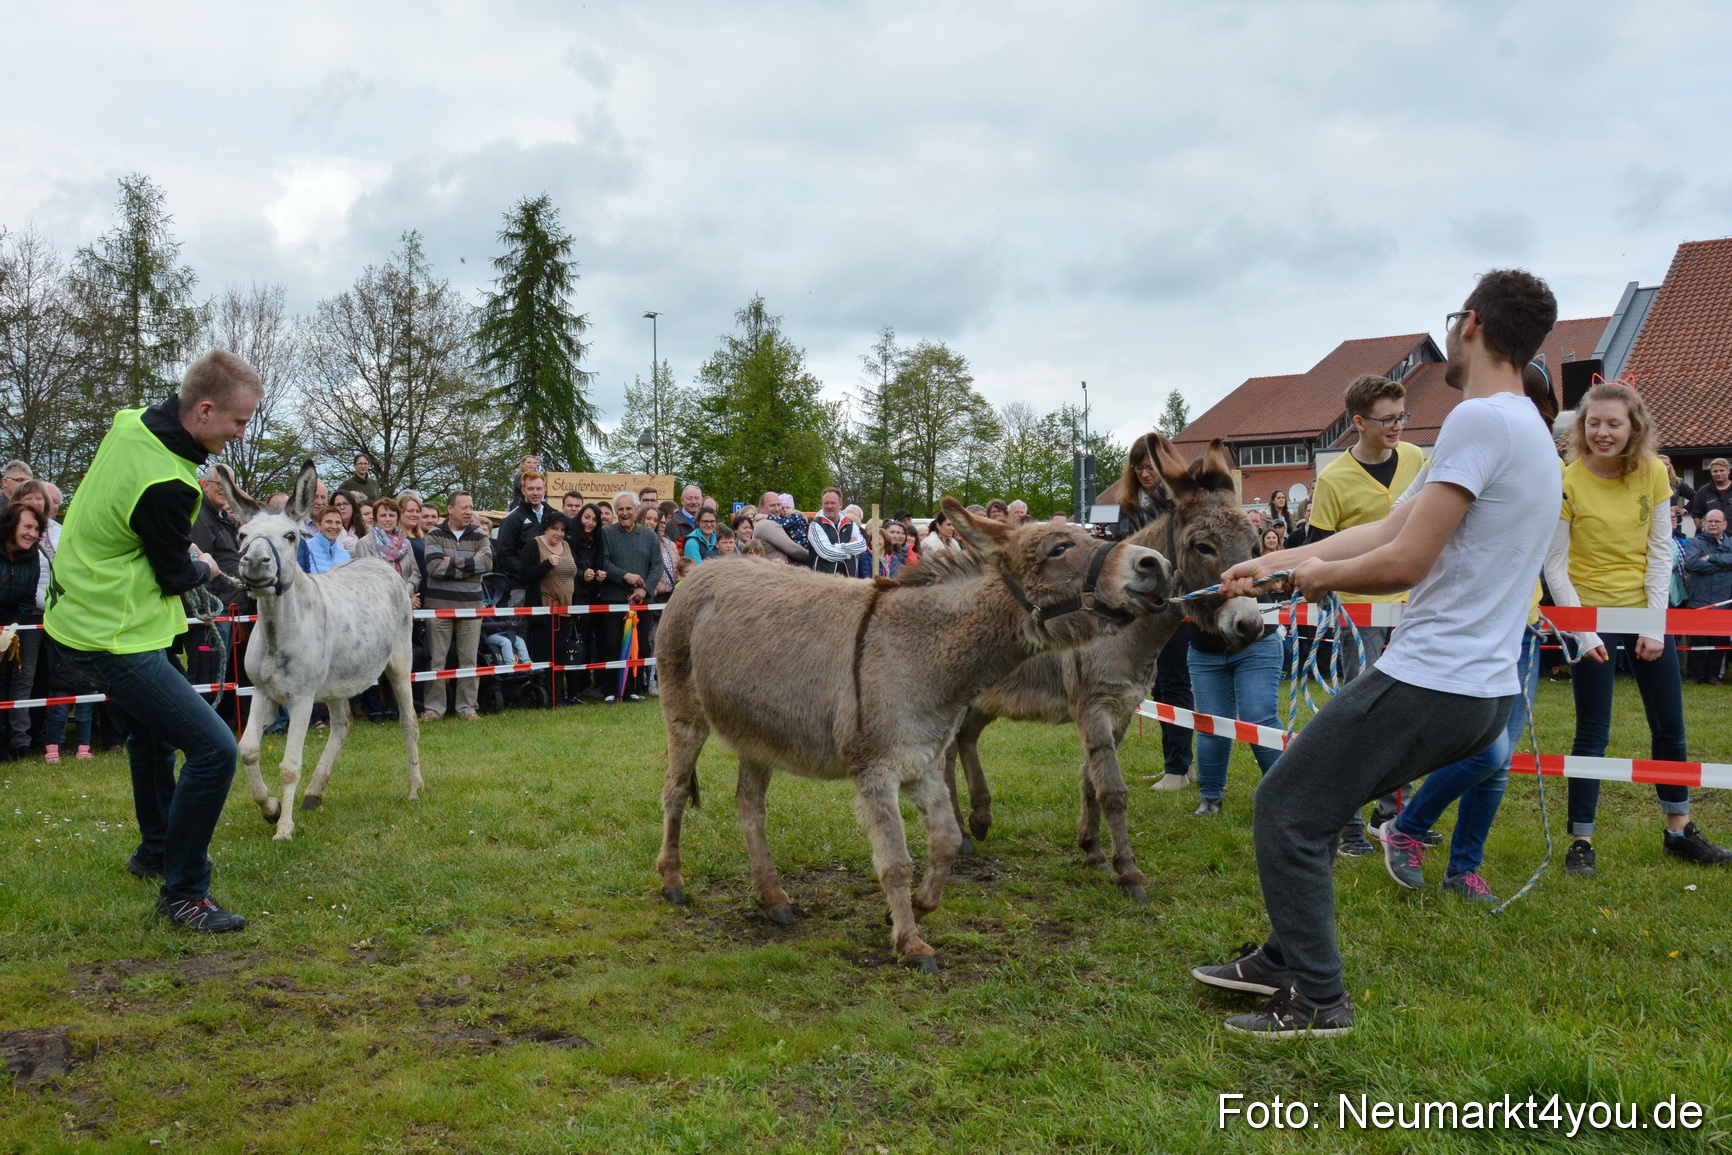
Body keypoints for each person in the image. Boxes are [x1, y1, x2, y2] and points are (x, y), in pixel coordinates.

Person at [1191, 269, 1563, 1037]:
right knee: (1314, 804)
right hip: (1479, 690)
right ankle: (1284, 956)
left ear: (1472, 326)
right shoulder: (1522, 425)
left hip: (1434, 677)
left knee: (1287, 807)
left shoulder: (1477, 421)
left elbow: (1404, 564)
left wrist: (1307, 577)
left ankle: (1318, 998)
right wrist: (1269, 565)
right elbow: (1394, 527)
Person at [44, 350, 260, 932]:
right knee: (215, 751)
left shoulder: (134, 422)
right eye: (238, 423)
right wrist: (204, 567)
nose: (239, 435)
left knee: (151, 733)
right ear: (206, 410)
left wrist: (169, 547)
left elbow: (131, 523)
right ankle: (184, 893)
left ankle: (156, 850)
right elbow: (172, 576)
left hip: (91, 611)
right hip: (109, 631)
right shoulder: (166, 484)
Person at [1545, 381, 1732, 874]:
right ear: (1582, 428)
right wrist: (1584, 633)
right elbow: (1555, 566)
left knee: (1670, 727)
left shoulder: (1652, 471)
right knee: (1592, 732)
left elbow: (1660, 552)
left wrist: (1653, 624)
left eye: (1614, 423)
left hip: (1644, 610)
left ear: (1634, 428)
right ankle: (1581, 841)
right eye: (1593, 423)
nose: (1602, 433)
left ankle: (1679, 831)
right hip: (1588, 613)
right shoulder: (1565, 480)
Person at [1304, 372, 1427, 854]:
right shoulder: (1333, 480)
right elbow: (1319, 553)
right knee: (1363, 716)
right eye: (1388, 419)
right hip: (1359, 615)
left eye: (1403, 417)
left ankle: (1395, 815)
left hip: (1412, 607)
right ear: (1358, 422)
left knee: (1410, 713)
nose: (1398, 426)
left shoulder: (1417, 458)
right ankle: (1347, 820)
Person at [421, 491, 492, 721]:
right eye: (464, 507)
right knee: (437, 660)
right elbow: (433, 568)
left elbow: (487, 563)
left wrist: (451, 561)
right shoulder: (434, 534)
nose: (469, 511)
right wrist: (471, 567)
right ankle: (433, 709)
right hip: (439, 607)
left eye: (471, 506)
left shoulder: (480, 534)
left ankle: (467, 708)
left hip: (472, 606)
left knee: (469, 660)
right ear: (450, 509)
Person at [599, 491, 663, 702]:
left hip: (641, 602)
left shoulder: (649, 535)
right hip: (614, 600)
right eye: (621, 509)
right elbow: (604, 563)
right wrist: (625, 576)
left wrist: (644, 590)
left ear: (636, 510)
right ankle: (610, 691)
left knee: (639, 646)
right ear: (616, 511)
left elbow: (657, 566)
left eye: (628, 508)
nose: (625, 513)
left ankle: (632, 689)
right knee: (612, 644)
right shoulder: (607, 532)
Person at [1, 502, 44, 759]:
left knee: (8, 683)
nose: (32, 533)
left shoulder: (33, 555)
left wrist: (8, 632)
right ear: (10, 525)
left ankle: (10, 744)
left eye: (37, 528)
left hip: (10, 627)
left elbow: (28, 598)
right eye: (27, 526)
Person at [1684, 509, 1732, 684]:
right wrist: (1724, 565)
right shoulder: (1695, 542)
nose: (1713, 524)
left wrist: (1711, 558)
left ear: (1724, 524)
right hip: (1700, 600)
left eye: (1717, 521)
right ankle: (1694, 675)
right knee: (1698, 639)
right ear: (1704, 523)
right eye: (1709, 521)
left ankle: (1713, 675)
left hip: (1724, 600)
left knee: (1719, 639)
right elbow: (1692, 564)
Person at [495, 470, 553, 601]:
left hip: (550, 586)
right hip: (522, 587)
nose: (535, 493)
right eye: (530, 489)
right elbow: (504, 554)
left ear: (544, 489)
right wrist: (527, 572)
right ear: (523, 490)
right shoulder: (512, 519)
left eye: (539, 488)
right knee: (520, 621)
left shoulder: (553, 516)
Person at [808, 488, 867, 576]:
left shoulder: (850, 524)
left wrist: (837, 547)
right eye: (826, 503)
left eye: (833, 503)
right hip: (823, 581)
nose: (829, 506)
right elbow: (826, 552)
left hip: (848, 579)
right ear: (822, 505)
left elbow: (862, 546)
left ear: (840, 504)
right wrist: (849, 554)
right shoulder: (815, 525)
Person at [297, 507, 351, 573]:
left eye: (338, 522)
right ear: (318, 525)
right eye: (329, 522)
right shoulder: (306, 548)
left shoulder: (345, 554)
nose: (334, 526)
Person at [1687, 457, 1732, 522]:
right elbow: (1696, 515)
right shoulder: (1703, 491)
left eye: (1722, 470)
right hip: (1712, 531)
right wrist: (1701, 530)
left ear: (1728, 470)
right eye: (1715, 471)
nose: (1718, 474)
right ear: (1711, 472)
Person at [668, 485, 704, 549]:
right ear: (682, 500)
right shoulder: (672, 523)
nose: (693, 502)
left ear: (702, 500)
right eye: (689, 498)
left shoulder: (708, 522)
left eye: (697, 498)